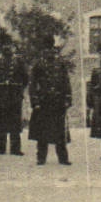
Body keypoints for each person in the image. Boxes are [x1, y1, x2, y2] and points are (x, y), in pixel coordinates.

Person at [28, 36, 72, 165]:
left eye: (51, 49)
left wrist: (67, 99)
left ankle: (63, 158)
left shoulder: (60, 63)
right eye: (47, 49)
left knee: (60, 131)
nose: (49, 52)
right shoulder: (39, 64)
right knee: (42, 131)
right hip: (43, 101)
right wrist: (35, 101)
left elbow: (66, 82)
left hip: (58, 101)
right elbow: (32, 84)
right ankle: (41, 157)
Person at [0, 41, 26, 155]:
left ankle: (15, 148)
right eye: (5, 46)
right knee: (0, 121)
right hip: (0, 95)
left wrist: (20, 90)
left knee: (15, 121)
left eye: (9, 46)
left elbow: (25, 78)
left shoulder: (18, 61)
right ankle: (0, 147)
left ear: (13, 48)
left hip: (14, 95)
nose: (7, 48)